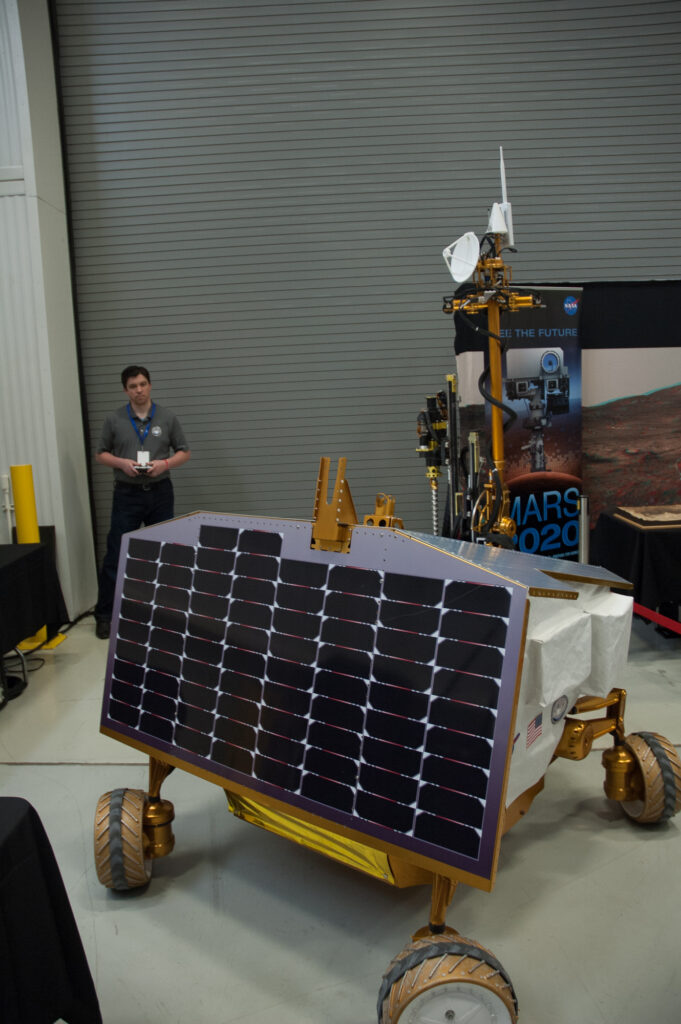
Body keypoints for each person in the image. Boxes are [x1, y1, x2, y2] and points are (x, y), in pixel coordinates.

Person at [93, 365, 191, 638]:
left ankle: (166, 616)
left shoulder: (167, 417)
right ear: (125, 390)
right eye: (133, 386)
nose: (139, 390)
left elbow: (185, 452)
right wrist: (122, 463)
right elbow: (100, 454)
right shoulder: (114, 420)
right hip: (127, 495)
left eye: (143, 384)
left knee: (165, 555)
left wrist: (166, 463)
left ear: (150, 385)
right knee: (116, 554)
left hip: (160, 492)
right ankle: (105, 615)